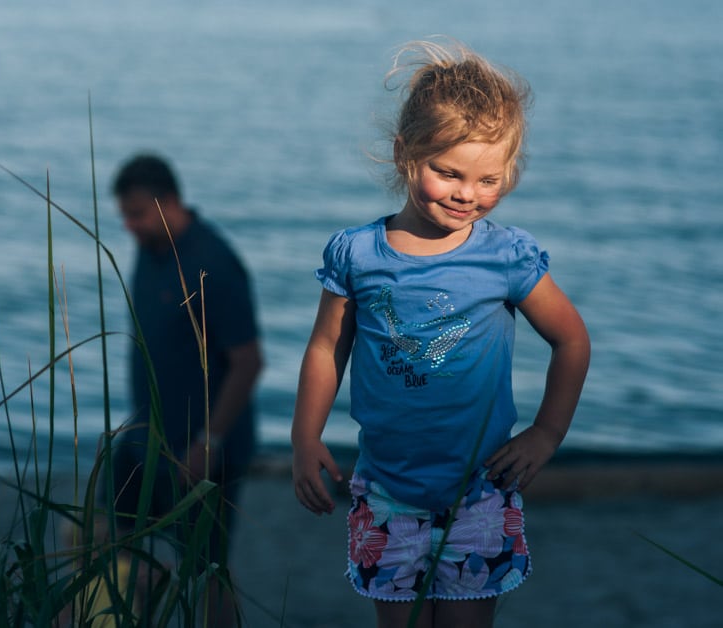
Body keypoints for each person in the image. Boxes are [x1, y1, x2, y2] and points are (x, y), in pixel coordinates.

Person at [290, 40, 590, 628]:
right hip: (386, 490)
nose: (466, 194)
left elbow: (572, 340)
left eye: (488, 179)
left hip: (479, 491)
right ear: (406, 154)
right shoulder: (356, 254)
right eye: (448, 172)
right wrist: (305, 437)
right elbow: (328, 346)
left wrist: (547, 433)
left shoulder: (507, 258)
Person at [107, 153, 263, 625]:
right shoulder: (150, 246)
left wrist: (208, 441)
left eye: (136, 214)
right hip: (144, 436)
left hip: (202, 450)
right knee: (106, 538)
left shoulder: (212, 262)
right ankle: (135, 602)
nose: (129, 226)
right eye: (125, 216)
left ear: (168, 202)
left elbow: (249, 362)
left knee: (207, 570)